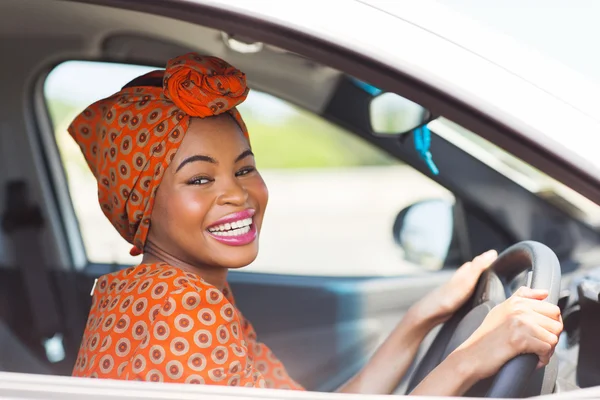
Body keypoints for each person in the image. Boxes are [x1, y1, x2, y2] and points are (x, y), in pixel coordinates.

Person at [69, 53, 563, 395]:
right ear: (141, 206)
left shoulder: (155, 293)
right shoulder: (178, 308)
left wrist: (424, 315)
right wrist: (475, 357)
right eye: (199, 179)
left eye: (244, 168)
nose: (237, 193)